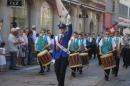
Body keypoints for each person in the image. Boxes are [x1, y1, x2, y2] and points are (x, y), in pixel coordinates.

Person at [53, 15, 72, 86]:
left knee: (62, 72)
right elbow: (54, 48)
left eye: (63, 29)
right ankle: (60, 83)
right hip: (57, 57)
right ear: (59, 29)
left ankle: (60, 85)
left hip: (64, 57)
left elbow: (70, 30)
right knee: (57, 72)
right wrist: (53, 58)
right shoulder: (56, 38)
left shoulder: (66, 36)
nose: (61, 30)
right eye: (60, 29)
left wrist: (69, 22)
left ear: (64, 29)